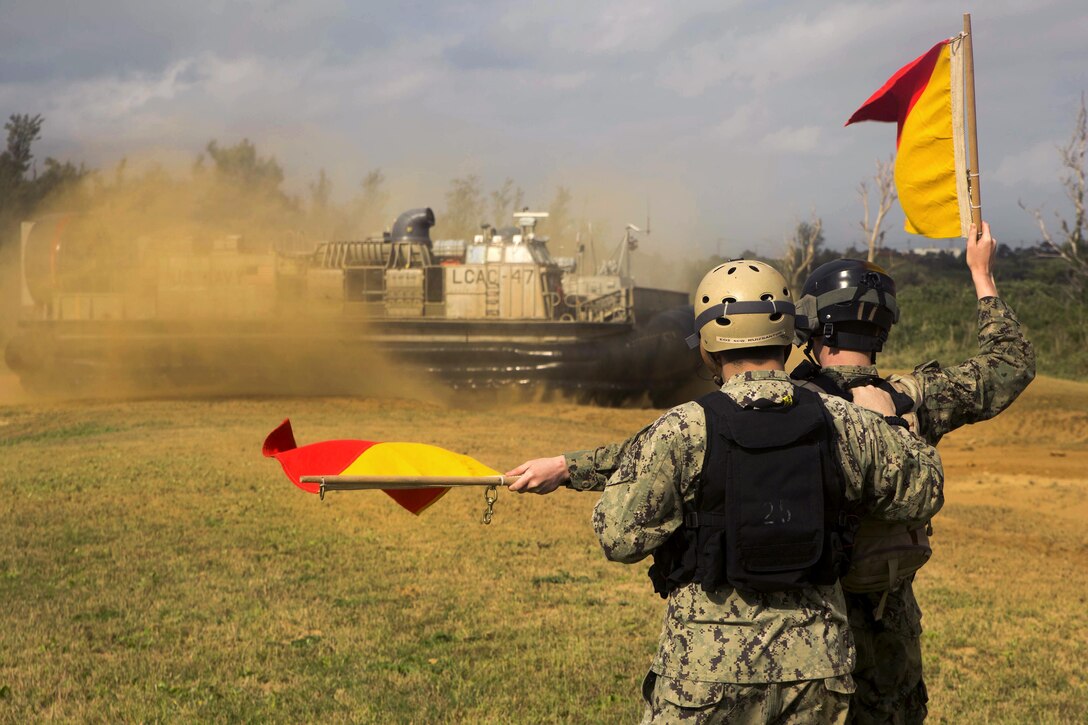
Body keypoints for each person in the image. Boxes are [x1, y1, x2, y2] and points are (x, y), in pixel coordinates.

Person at [509, 222, 1033, 723]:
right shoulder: (888, 407)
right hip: (848, 636)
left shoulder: (762, 410)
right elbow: (1001, 374)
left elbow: (662, 458)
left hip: (759, 629)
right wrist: (981, 277)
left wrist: (570, 467)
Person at [786, 220, 1035, 724]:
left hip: (810, 629)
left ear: (814, 325)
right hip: (889, 628)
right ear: (883, 326)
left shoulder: (790, 406)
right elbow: (1010, 362)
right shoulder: (913, 398)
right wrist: (980, 273)